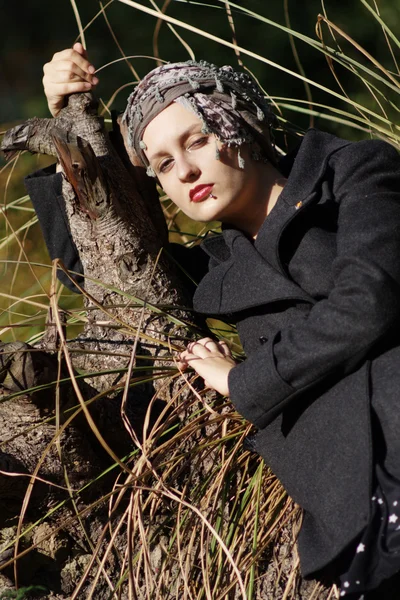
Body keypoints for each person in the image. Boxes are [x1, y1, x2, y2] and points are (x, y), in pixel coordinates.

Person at [25, 42, 400, 599]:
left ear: (239, 119)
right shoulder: (216, 267)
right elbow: (99, 271)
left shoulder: (355, 170)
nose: (187, 171)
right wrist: (67, 127)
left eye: (197, 139)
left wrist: (244, 380)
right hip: (351, 498)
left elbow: (369, 300)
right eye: (163, 164)